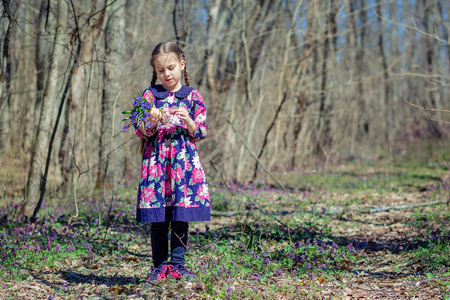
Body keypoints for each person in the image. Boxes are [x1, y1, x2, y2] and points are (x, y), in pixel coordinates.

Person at [133, 42, 210, 282]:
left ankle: (178, 266)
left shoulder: (193, 96)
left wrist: (188, 120)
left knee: (179, 217)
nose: (166, 74)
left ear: (182, 65)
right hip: (157, 166)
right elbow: (141, 131)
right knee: (159, 219)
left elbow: (201, 133)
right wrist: (152, 121)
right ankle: (158, 267)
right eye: (161, 70)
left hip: (183, 166)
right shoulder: (149, 95)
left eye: (171, 67)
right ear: (155, 71)